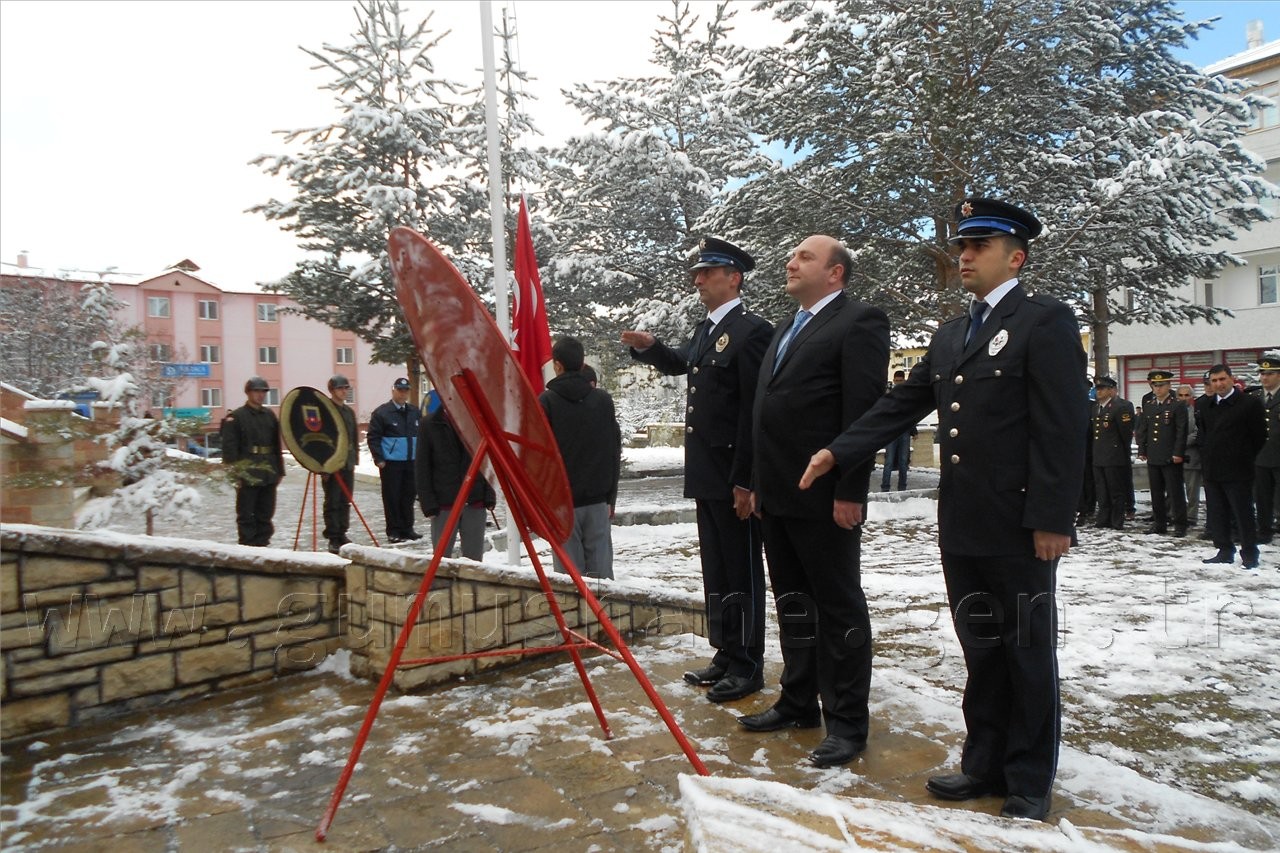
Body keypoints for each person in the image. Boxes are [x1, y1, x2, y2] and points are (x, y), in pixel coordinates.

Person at [800, 198, 1086, 822]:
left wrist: (1053, 518)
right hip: (963, 522)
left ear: (1017, 255)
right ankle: (982, 762)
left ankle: (1028, 777)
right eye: (962, 247)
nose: (964, 257)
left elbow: (1063, 428)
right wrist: (837, 450)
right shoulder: (953, 334)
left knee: (1027, 650)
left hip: (1019, 525)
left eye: (979, 247)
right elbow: (901, 404)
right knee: (982, 648)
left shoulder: (1045, 321)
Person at [738, 234, 889, 770]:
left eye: (805, 256)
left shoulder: (859, 322)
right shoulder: (786, 327)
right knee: (794, 604)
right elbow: (765, 412)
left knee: (838, 607)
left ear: (836, 273)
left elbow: (864, 412)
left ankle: (847, 722)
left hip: (825, 498)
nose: (790, 261)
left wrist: (851, 488)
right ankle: (799, 701)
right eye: (791, 253)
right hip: (778, 496)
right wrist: (754, 482)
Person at [622, 236, 774, 704]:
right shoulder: (706, 330)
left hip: (733, 475)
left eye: (707, 272)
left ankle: (748, 663)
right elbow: (683, 365)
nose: (698, 279)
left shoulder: (752, 331)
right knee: (717, 567)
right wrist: (651, 348)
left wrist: (747, 479)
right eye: (698, 272)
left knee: (742, 569)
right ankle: (726, 651)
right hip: (707, 471)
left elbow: (755, 410)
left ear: (734, 277)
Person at [540, 336, 622, 580]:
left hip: (562, 503)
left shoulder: (547, 402)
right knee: (602, 581)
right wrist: (610, 497)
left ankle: (575, 619)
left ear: (557, 365)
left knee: (569, 581)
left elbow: (541, 457)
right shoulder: (603, 401)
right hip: (598, 500)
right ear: (582, 362)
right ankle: (602, 617)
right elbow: (613, 451)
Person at [1201, 364, 1266, 569]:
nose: (1219, 384)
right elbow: (1205, 435)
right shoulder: (1206, 405)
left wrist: (1243, 457)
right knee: (1218, 513)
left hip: (1238, 469)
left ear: (1231, 379)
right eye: (1214, 381)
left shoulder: (1249, 404)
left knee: (1242, 513)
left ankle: (1249, 553)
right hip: (1213, 469)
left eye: (1222, 379)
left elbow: (1259, 437)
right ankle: (1224, 549)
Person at [415, 397, 496, 561]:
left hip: (475, 499)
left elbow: (489, 460)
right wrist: (428, 503)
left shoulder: (478, 422)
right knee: (441, 559)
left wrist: (489, 494)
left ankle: (472, 586)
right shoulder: (429, 424)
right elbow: (422, 467)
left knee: (474, 561)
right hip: (444, 503)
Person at [220, 376, 285, 546]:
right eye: (256, 391)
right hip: (247, 471)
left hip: (268, 470)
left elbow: (276, 445)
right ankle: (248, 545)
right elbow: (229, 448)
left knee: (266, 512)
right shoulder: (237, 417)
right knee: (246, 513)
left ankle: (263, 543)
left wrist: (279, 470)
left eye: (263, 391)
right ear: (248, 393)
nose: (260, 395)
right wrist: (235, 472)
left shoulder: (269, 415)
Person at [367, 378, 422, 543]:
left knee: (408, 496)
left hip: (410, 461)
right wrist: (379, 458)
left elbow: (421, 436)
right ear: (393, 391)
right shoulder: (382, 413)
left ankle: (407, 528)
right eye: (400, 390)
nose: (403, 393)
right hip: (391, 463)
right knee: (392, 497)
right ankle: (394, 530)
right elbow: (373, 437)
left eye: (405, 390)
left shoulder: (414, 411)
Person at [1135, 369, 1188, 536]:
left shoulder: (1177, 405)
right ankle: (1159, 523)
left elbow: (1181, 431)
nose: (1158, 389)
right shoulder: (1149, 406)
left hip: (1170, 456)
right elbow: (1143, 430)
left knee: (1175, 492)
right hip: (1154, 455)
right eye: (1155, 386)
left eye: (1162, 385)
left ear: (1169, 385)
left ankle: (1180, 524)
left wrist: (1178, 452)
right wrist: (1142, 450)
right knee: (1156, 492)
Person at [1091, 376, 1134, 530]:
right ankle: (1103, 519)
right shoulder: (1096, 408)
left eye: (1102, 389)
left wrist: (1122, 452)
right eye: (1097, 389)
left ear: (1111, 390)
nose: (1099, 392)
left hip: (1114, 455)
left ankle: (1117, 520)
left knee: (1116, 491)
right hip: (1099, 455)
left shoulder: (1119, 407)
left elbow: (1126, 433)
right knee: (1102, 490)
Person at [322, 374, 359, 554]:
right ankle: (333, 536)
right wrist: (324, 466)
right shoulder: (326, 410)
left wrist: (355, 460)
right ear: (332, 390)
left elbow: (353, 437)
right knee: (333, 501)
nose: (344, 391)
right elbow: (321, 440)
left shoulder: (348, 412)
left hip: (347, 462)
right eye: (340, 388)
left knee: (345, 500)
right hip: (332, 462)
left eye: (346, 388)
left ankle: (342, 532)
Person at [1252, 351, 1280, 545]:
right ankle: (1264, 530)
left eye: (1269, 373)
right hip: (1260, 456)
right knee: (1262, 497)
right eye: (1262, 373)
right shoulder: (1254, 397)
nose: (1264, 377)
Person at [880, 370, 915, 492]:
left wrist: (913, 431)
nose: (899, 383)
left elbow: (911, 414)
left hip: (904, 431)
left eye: (901, 381)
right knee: (889, 461)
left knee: (903, 461)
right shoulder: (889, 395)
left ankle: (902, 487)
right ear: (894, 380)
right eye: (897, 381)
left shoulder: (907, 394)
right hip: (892, 431)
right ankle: (885, 488)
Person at [1177, 384, 1204, 530]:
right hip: (1173, 457)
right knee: (1173, 488)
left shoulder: (1196, 413)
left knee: (1192, 489)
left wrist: (1180, 443)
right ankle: (1174, 513)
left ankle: (1192, 516)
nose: (1183, 398)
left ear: (1192, 397)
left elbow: (1197, 432)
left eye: (1186, 395)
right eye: (1180, 395)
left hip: (1191, 456)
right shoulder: (1172, 412)